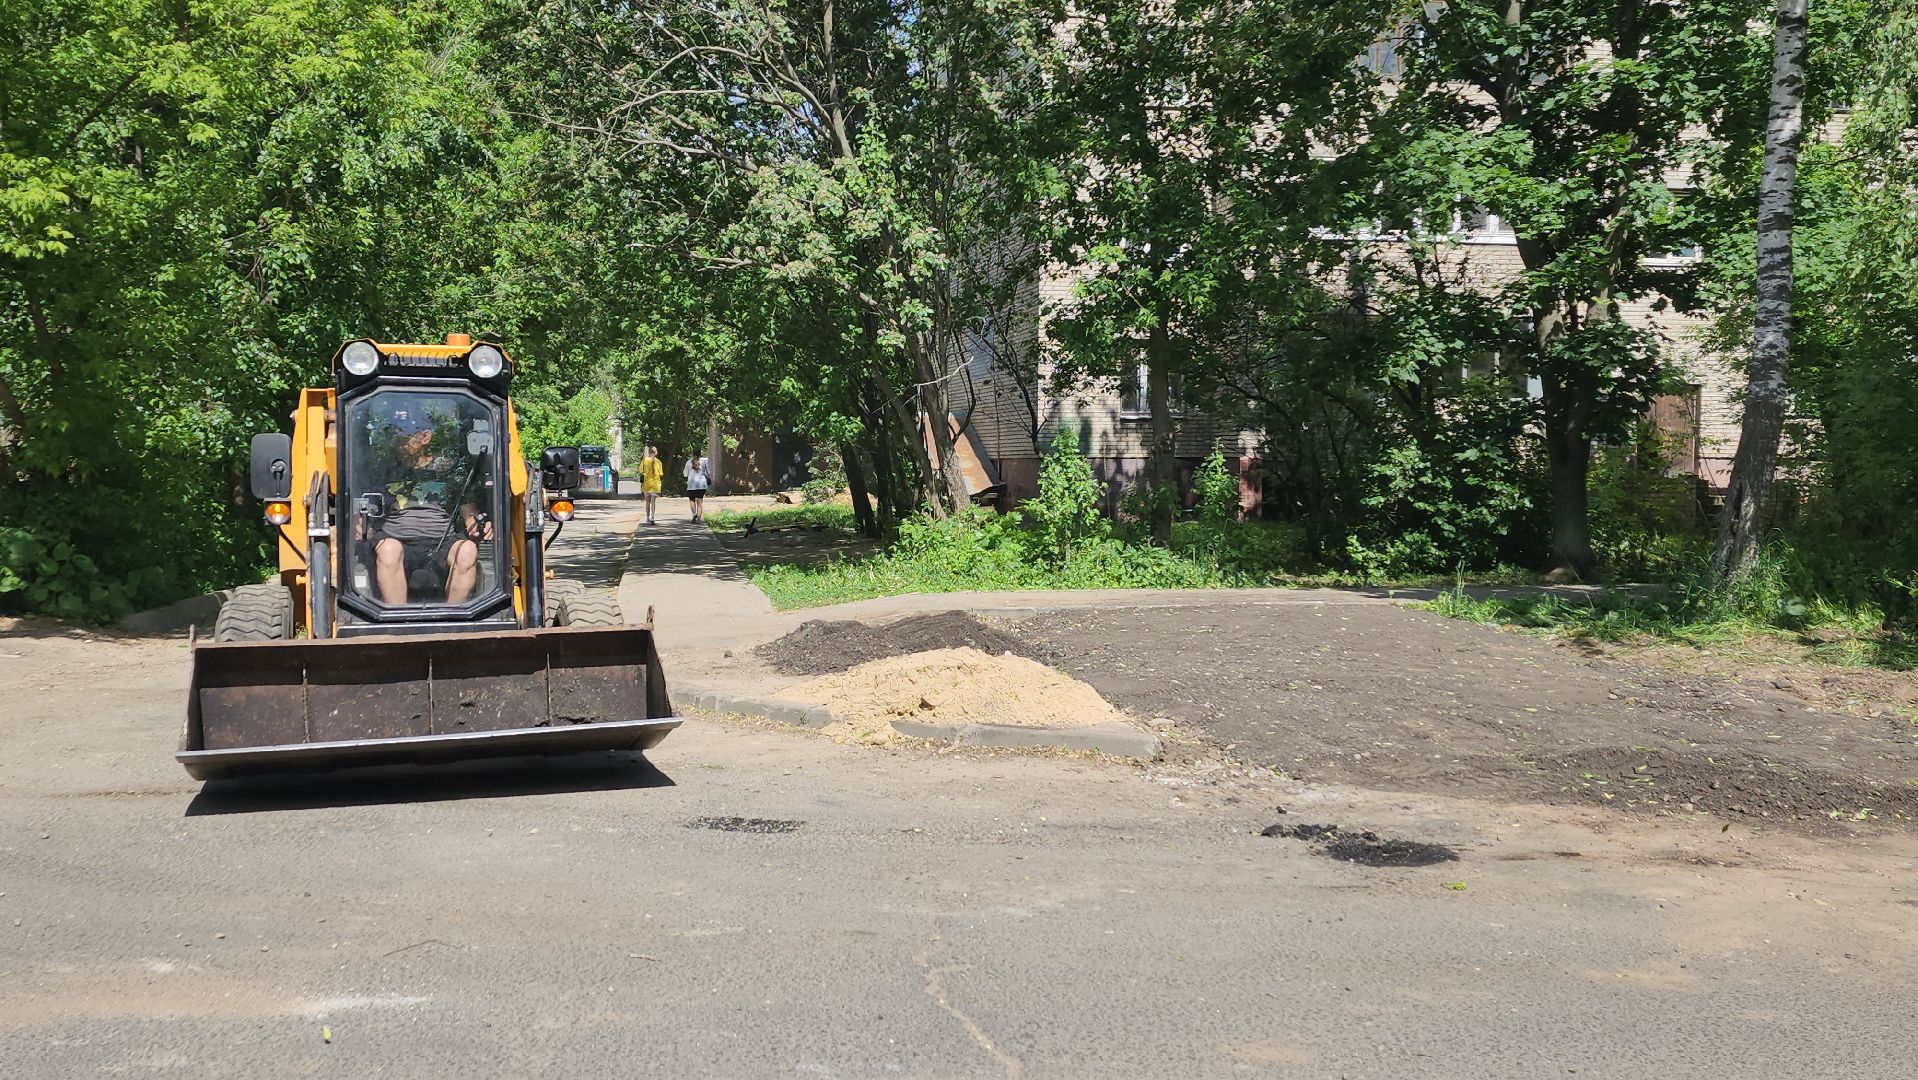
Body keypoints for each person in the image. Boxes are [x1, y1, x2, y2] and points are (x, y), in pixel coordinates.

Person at [361, 424, 491, 605]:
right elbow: (367, 509)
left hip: (443, 543)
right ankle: (398, 623)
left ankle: (453, 624)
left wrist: (475, 524)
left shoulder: (449, 470)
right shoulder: (385, 471)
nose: (396, 443)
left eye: (402, 438)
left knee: (467, 550)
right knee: (388, 549)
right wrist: (359, 525)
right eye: (394, 438)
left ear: (425, 437)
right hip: (397, 540)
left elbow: (468, 510)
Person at [639, 445, 663, 525]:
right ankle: (653, 517)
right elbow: (661, 474)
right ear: (656, 453)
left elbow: (641, 471)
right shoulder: (659, 462)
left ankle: (647, 518)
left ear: (649, 452)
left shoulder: (645, 460)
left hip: (647, 483)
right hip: (655, 484)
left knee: (647, 502)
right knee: (653, 502)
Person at [684, 451, 711, 523]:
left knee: (692, 500)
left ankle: (694, 514)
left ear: (692, 454)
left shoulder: (688, 462)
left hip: (691, 485)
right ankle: (698, 519)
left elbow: (685, 474)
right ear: (700, 454)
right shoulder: (704, 462)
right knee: (700, 502)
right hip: (701, 485)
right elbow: (709, 472)